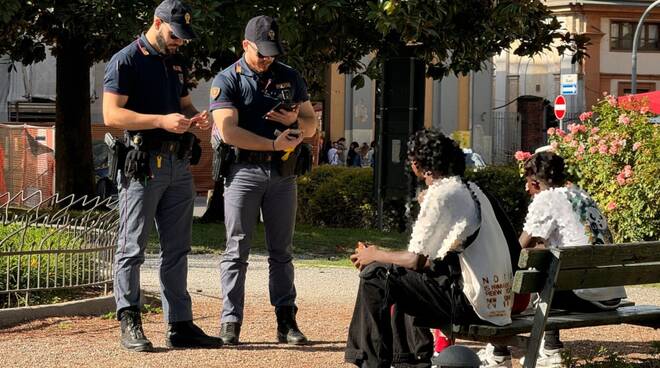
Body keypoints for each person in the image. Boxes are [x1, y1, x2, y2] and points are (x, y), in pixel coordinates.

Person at [102, 0, 222, 351]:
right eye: (174, 34)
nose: (179, 42)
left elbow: (183, 105)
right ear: (157, 23)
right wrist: (160, 121)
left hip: (177, 165)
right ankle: (130, 321)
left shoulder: (174, 62)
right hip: (142, 165)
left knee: (177, 249)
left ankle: (180, 324)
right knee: (132, 247)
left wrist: (197, 117)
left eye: (183, 37)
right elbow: (111, 114)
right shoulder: (126, 60)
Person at [345, 129, 513, 368]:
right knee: (399, 274)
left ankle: (371, 362)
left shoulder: (442, 194)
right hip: (496, 300)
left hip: (472, 304)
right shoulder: (470, 189)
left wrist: (373, 254)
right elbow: (424, 261)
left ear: (416, 163)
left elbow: (416, 260)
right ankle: (408, 360)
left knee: (375, 274)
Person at [209, 15, 318, 345]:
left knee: (281, 251)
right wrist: (272, 143)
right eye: (262, 52)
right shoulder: (228, 79)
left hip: (283, 174)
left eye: (273, 52)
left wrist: (296, 119)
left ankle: (286, 320)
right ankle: (231, 321)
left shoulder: (289, 76)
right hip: (243, 172)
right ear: (245, 45)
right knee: (236, 248)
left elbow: (312, 124)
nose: (268, 59)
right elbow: (227, 131)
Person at [516, 152, 626, 367]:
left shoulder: (547, 199)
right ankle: (549, 346)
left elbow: (521, 246)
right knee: (553, 260)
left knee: (542, 268)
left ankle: (538, 349)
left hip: (585, 295)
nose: (526, 189)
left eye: (528, 183)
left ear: (536, 182)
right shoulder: (580, 195)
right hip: (611, 294)